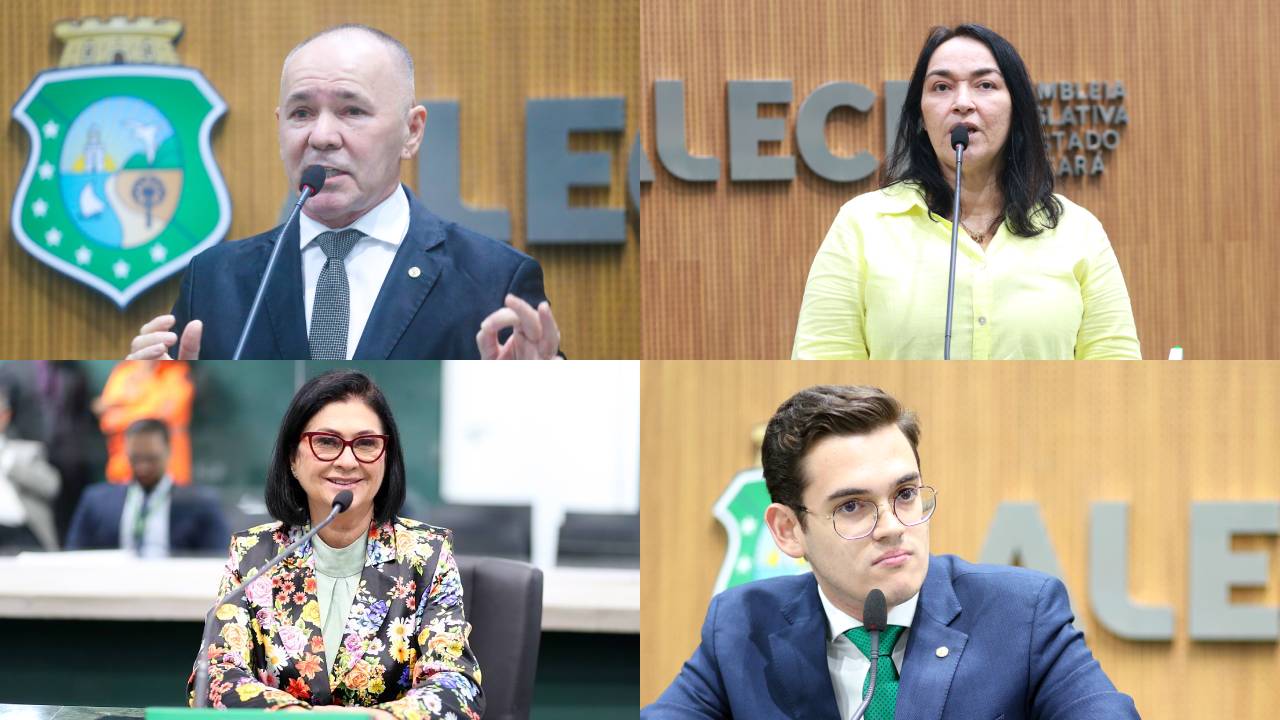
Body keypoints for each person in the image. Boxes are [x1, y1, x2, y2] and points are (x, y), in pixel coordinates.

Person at [643, 385, 1139, 719]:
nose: (893, 527)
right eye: (853, 506)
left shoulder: (1022, 615)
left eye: (904, 495)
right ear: (789, 529)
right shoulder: (741, 627)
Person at [126, 24, 561, 361]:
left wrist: (541, 389)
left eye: (352, 110)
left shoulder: (492, 280)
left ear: (411, 132)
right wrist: (155, 385)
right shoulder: (214, 280)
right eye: (301, 113)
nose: (322, 136)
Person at [793, 24, 1140, 360]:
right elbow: (824, 368)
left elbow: (1116, 366)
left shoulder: (1077, 231)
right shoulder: (863, 224)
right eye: (941, 87)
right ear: (920, 115)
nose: (962, 103)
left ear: (1016, 108)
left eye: (985, 85)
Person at [187, 370, 482, 717]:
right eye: (326, 441)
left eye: (366, 443)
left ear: (387, 459)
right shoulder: (255, 556)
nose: (347, 461)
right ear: (293, 459)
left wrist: (377, 719)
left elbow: (456, 685)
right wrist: (298, 717)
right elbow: (217, 677)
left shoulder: (426, 554)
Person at [65, 418, 229, 555]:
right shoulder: (96, 502)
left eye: (152, 459)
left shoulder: (200, 504)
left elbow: (218, 563)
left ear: (169, 451)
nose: (142, 467)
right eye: (135, 459)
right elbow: (74, 558)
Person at [95, 360, 194, 486]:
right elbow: (110, 421)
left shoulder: (176, 371)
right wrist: (145, 407)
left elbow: (168, 414)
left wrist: (128, 406)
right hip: (123, 469)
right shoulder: (124, 371)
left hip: (169, 469)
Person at [0, 389, 61, 553]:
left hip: (24, 536)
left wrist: (8, 462)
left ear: (5, 416)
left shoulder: (27, 452)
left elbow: (51, 486)